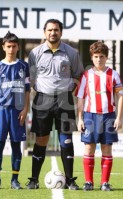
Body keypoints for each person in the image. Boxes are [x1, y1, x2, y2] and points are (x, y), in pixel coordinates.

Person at [26, 18, 84, 190]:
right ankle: (34, 179)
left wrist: (71, 88)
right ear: (45, 32)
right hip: (43, 100)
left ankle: (70, 180)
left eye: (56, 30)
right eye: (50, 30)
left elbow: (79, 74)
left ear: (61, 32)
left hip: (64, 100)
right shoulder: (34, 53)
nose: (53, 33)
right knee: (41, 140)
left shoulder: (71, 53)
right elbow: (31, 77)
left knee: (66, 140)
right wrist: (38, 88)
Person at [76, 41, 123, 191]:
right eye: (96, 56)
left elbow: (120, 96)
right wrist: (80, 118)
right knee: (89, 148)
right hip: (90, 115)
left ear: (106, 57)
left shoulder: (114, 74)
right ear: (92, 58)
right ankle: (88, 182)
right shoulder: (86, 75)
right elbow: (81, 97)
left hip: (109, 116)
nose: (99, 59)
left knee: (107, 149)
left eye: (102, 56)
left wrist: (119, 117)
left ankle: (104, 183)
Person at [0, 31, 30, 189]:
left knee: (16, 146)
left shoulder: (24, 66)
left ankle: (15, 180)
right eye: (8, 46)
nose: (11, 49)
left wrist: (25, 109)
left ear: (18, 47)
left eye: (13, 46)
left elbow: (27, 90)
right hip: (0, 110)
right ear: (3, 47)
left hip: (17, 111)